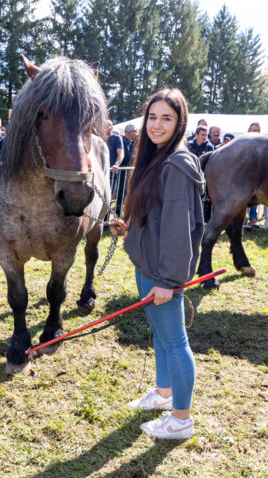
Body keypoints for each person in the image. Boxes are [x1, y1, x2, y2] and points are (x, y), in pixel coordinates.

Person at [110, 88, 204, 440]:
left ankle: (180, 420)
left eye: (167, 118)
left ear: (180, 122)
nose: (157, 125)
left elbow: (180, 229)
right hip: (148, 266)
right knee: (163, 337)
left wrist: (168, 280)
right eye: (153, 117)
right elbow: (159, 215)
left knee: (175, 341)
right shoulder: (156, 158)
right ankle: (165, 395)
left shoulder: (177, 164)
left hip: (162, 273)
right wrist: (131, 226)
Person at [115, 124, 137, 216]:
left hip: (129, 173)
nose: (135, 133)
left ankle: (124, 213)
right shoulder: (123, 141)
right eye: (134, 131)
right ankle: (118, 213)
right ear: (129, 132)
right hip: (122, 173)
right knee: (121, 194)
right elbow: (127, 157)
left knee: (126, 193)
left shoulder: (131, 142)